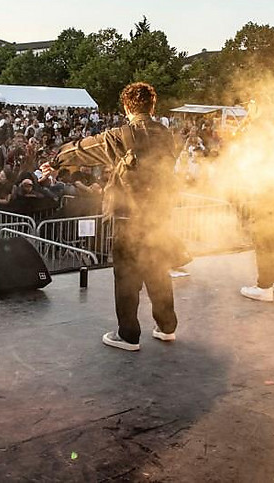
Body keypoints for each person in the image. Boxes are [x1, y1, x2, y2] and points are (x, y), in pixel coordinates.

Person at [42, 82, 179, 351]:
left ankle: (128, 334)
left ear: (127, 106)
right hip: (159, 215)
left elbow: (83, 150)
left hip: (130, 217)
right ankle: (166, 326)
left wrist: (56, 161)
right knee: (157, 270)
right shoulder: (166, 134)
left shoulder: (122, 135)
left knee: (127, 275)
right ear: (152, 106)